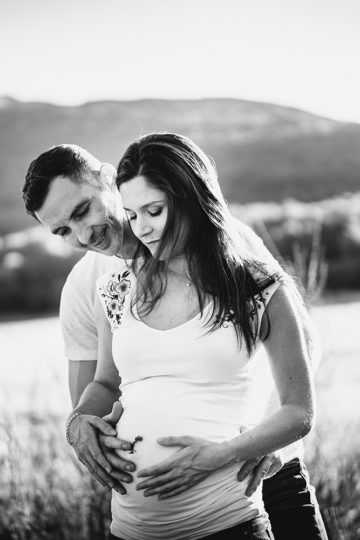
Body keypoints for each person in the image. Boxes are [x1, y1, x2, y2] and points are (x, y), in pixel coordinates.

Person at [22, 139, 328, 539]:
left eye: (83, 210)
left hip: (266, 469)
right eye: (64, 230)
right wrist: (77, 426)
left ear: (108, 178)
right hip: (143, 525)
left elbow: (301, 345)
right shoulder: (94, 285)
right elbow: (95, 395)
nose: (83, 235)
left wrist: (254, 439)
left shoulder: (229, 247)